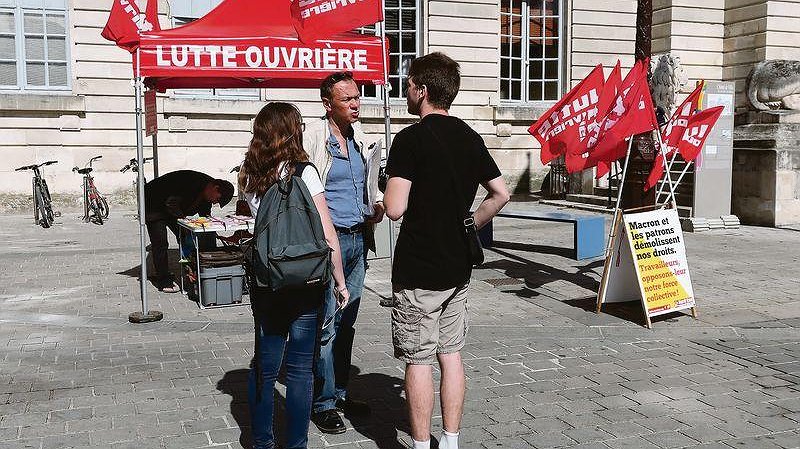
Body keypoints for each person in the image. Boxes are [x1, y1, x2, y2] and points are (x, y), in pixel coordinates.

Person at [383, 52, 510, 449]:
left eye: (407, 84)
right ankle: (450, 441)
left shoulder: (409, 139)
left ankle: (423, 445)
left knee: (419, 358)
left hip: (420, 266)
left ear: (422, 91)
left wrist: (382, 192)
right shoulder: (470, 136)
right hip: (458, 266)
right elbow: (500, 193)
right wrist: (471, 222)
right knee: (451, 354)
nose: (403, 90)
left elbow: (394, 208)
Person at [240, 102, 350, 449]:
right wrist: (341, 281)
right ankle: (296, 444)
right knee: (301, 370)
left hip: (267, 281)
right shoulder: (306, 171)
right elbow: (327, 231)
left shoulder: (249, 173)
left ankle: (261, 441)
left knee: (265, 365)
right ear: (294, 130)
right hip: (306, 279)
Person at [303, 71, 384, 434]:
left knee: (347, 321)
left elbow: (370, 183)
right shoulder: (314, 137)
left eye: (357, 97)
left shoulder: (360, 137)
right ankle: (321, 402)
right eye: (347, 99)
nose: (355, 104)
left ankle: (339, 392)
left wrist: (378, 204)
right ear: (327, 103)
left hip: (358, 239)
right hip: (327, 245)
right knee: (326, 323)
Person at [144, 170, 234, 292]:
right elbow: (171, 202)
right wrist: (184, 220)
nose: (215, 202)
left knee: (185, 237)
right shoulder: (193, 183)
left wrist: (211, 226)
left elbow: (205, 214)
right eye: (217, 200)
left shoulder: (208, 190)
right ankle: (164, 281)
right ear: (215, 188)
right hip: (154, 204)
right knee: (160, 243)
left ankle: (195, 271)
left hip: (172, 209)